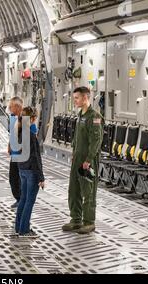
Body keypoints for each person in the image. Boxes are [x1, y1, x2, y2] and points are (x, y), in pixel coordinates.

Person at [62, 87, 103, 234]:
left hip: (87, 161)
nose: (75, 101)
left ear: (85, 98)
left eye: (77, 98)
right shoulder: (80, 115)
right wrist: (74, 153)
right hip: (77, 159)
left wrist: (89, 160)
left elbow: (96, 141)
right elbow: (77, 138)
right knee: (74, 190)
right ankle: (76, 219)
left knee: (88, 191)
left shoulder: (95, 116)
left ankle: (89, 221)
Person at [15, 107, 45, 238]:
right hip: (31, 172)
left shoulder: (20, 132)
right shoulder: (31, 136)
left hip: (22, 169)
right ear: (32, 119)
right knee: (29, 201)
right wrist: (41, 177)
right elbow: (36, 158)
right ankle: (24, 230)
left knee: (23, 199)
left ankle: (18, 227)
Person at [8, 97, 24, 208]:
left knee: (20, 178)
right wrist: (9, 145)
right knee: (13, 177)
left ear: (17, 107)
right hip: (14, 154)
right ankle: (18, 198)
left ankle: (22, 200)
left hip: (22, 154)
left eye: (11, 106)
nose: (9, 108)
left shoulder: (25, 119)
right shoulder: (13, 118)